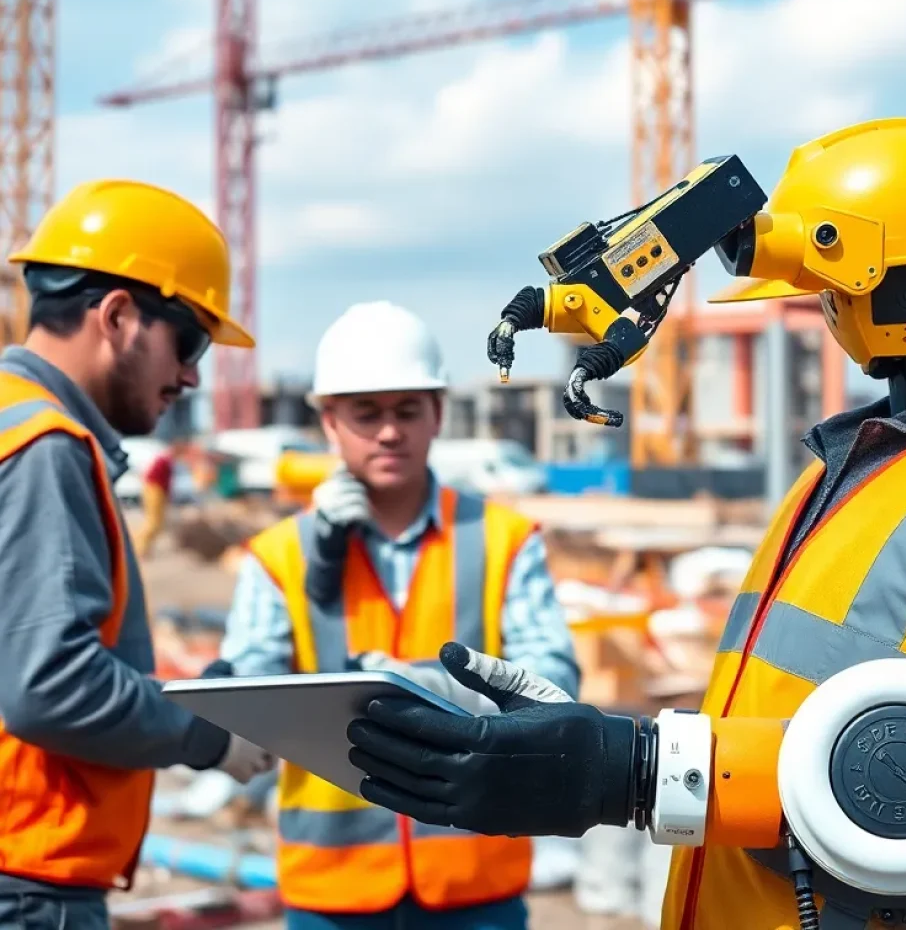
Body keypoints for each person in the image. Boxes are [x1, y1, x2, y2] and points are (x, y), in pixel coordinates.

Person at [343, 118, 906, 929]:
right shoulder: (845, 468)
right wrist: (610, 743)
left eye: (840, 288)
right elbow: (771, 722)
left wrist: (642, 775)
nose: (829, 308)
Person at [220, 300, 580, 930]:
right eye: (367, 413)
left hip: (475, 881)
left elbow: (554, 686)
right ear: (329, 422)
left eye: (407, 410)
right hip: (334, 887)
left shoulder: (503, 539)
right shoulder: (279, 556)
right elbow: (251, 701)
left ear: (437, 413)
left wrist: (423, 689)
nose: (389, 432)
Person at [0, 179, 275, 930]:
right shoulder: (46, 447)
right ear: (118, 316)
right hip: (27, 880)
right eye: (190, 343)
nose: (191, 376)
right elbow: (50, 686)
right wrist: (208, 731)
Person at [135, 441, 177, 558]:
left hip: (155, 491)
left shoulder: (164, 460)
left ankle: (142, 547)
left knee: (156, 523)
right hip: (155, 491)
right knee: (153, 522)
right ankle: (139, 548)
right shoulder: (164, 461)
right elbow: (162, 481)